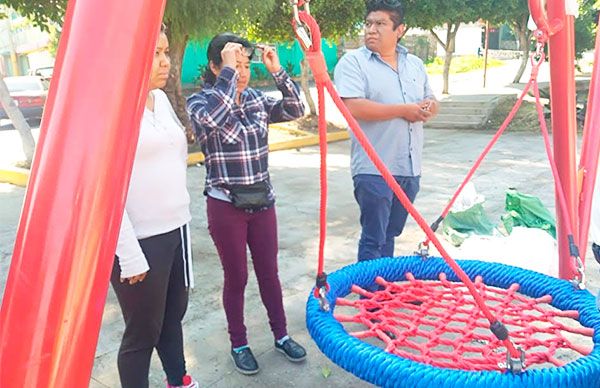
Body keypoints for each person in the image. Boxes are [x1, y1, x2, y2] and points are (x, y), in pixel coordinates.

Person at [186, 33, 307, 375]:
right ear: (215, 66)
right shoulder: (201, 103)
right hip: (226, 205)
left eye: (244, 65)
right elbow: (212, 119)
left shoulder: (257, 99)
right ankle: (239, 342)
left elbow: (297, 109)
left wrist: (278, 72)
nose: (242, 72)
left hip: (262, 202)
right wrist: (227, 74)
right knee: (236, 276)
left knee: (270, 272)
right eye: (233, 65)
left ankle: (281, 336)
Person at [111, 24, 198, 388]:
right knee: (142, 332)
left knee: (172, 316)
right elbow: (104, 192)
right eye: (156, 54)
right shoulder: (112, 107)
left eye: (166, 53)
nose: (166, 63)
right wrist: (127, 253)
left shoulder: (158, 99)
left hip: (176, 228)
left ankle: (179, 380)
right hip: (140, 239)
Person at [334, 0, 439, 263]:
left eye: (380, 24)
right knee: (373, 237)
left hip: (409, 167)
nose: (371, 29)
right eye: (368, 23)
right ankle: (370, 300)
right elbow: (353, 107)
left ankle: (383, 291)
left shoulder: (414, 64)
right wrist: (404, 110)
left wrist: (428, 107)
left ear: (399, 29)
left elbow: (430, 99)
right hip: (373, 168)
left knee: (390, 234)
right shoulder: (354, 62)